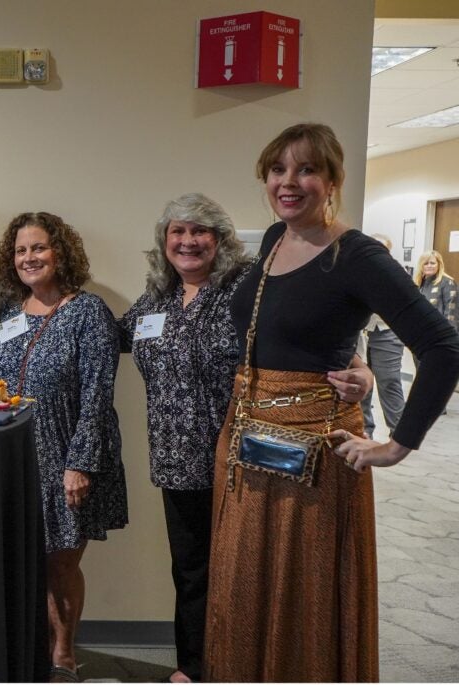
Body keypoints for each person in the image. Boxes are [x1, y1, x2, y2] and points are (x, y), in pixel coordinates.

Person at [205, 123, 459, 682]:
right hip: (247, 438)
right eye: (278, 169)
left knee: (303, 595)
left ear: (333, 180)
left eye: (306, 169)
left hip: (312, 451)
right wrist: (359, 362)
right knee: (247, 586)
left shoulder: (356, 254)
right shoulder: (276, 238)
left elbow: (442, 346)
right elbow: (310, 327)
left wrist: (397, 445)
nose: (288, 182)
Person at [117, 193, 371, 683]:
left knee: (244, 572)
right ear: (164, 241)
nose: (188, 241)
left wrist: (363, 372)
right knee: (191, 571)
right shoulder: (156, 298)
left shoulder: (244, 288)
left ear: (220, 240)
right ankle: (194, 667)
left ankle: (242, 666)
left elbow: (306, 336)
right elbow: (112, 337)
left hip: (243, 456)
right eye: (178, 231)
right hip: (176, 461)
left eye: (200, 232)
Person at [0, 212, 127, 683]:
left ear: (60, 252)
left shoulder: (88, 312)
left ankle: (64, 655)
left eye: (39, 247)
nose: (29, 257)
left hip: (67, 454)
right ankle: (32, 651)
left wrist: (81, 463)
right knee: (26, 559)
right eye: (21, 250)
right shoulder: (10, 312)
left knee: (61, 559)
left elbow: (97, 393)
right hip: (16, 456)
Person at [359, 234, 406, 437]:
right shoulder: (356, 270)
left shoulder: (396, 272)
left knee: (389, 381)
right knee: (361, 383)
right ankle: (364, 430)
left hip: (386, 331)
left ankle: (399, 432)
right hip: (360, 333)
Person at [414, 249, 458, 330]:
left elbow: (452, 314)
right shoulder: (419, 283)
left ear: (439, 265)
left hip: (440, 333)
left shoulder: (448, 283)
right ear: (421, 266)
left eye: (432, 263)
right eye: (426, 263)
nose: (429, 266)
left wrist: (450, 337)